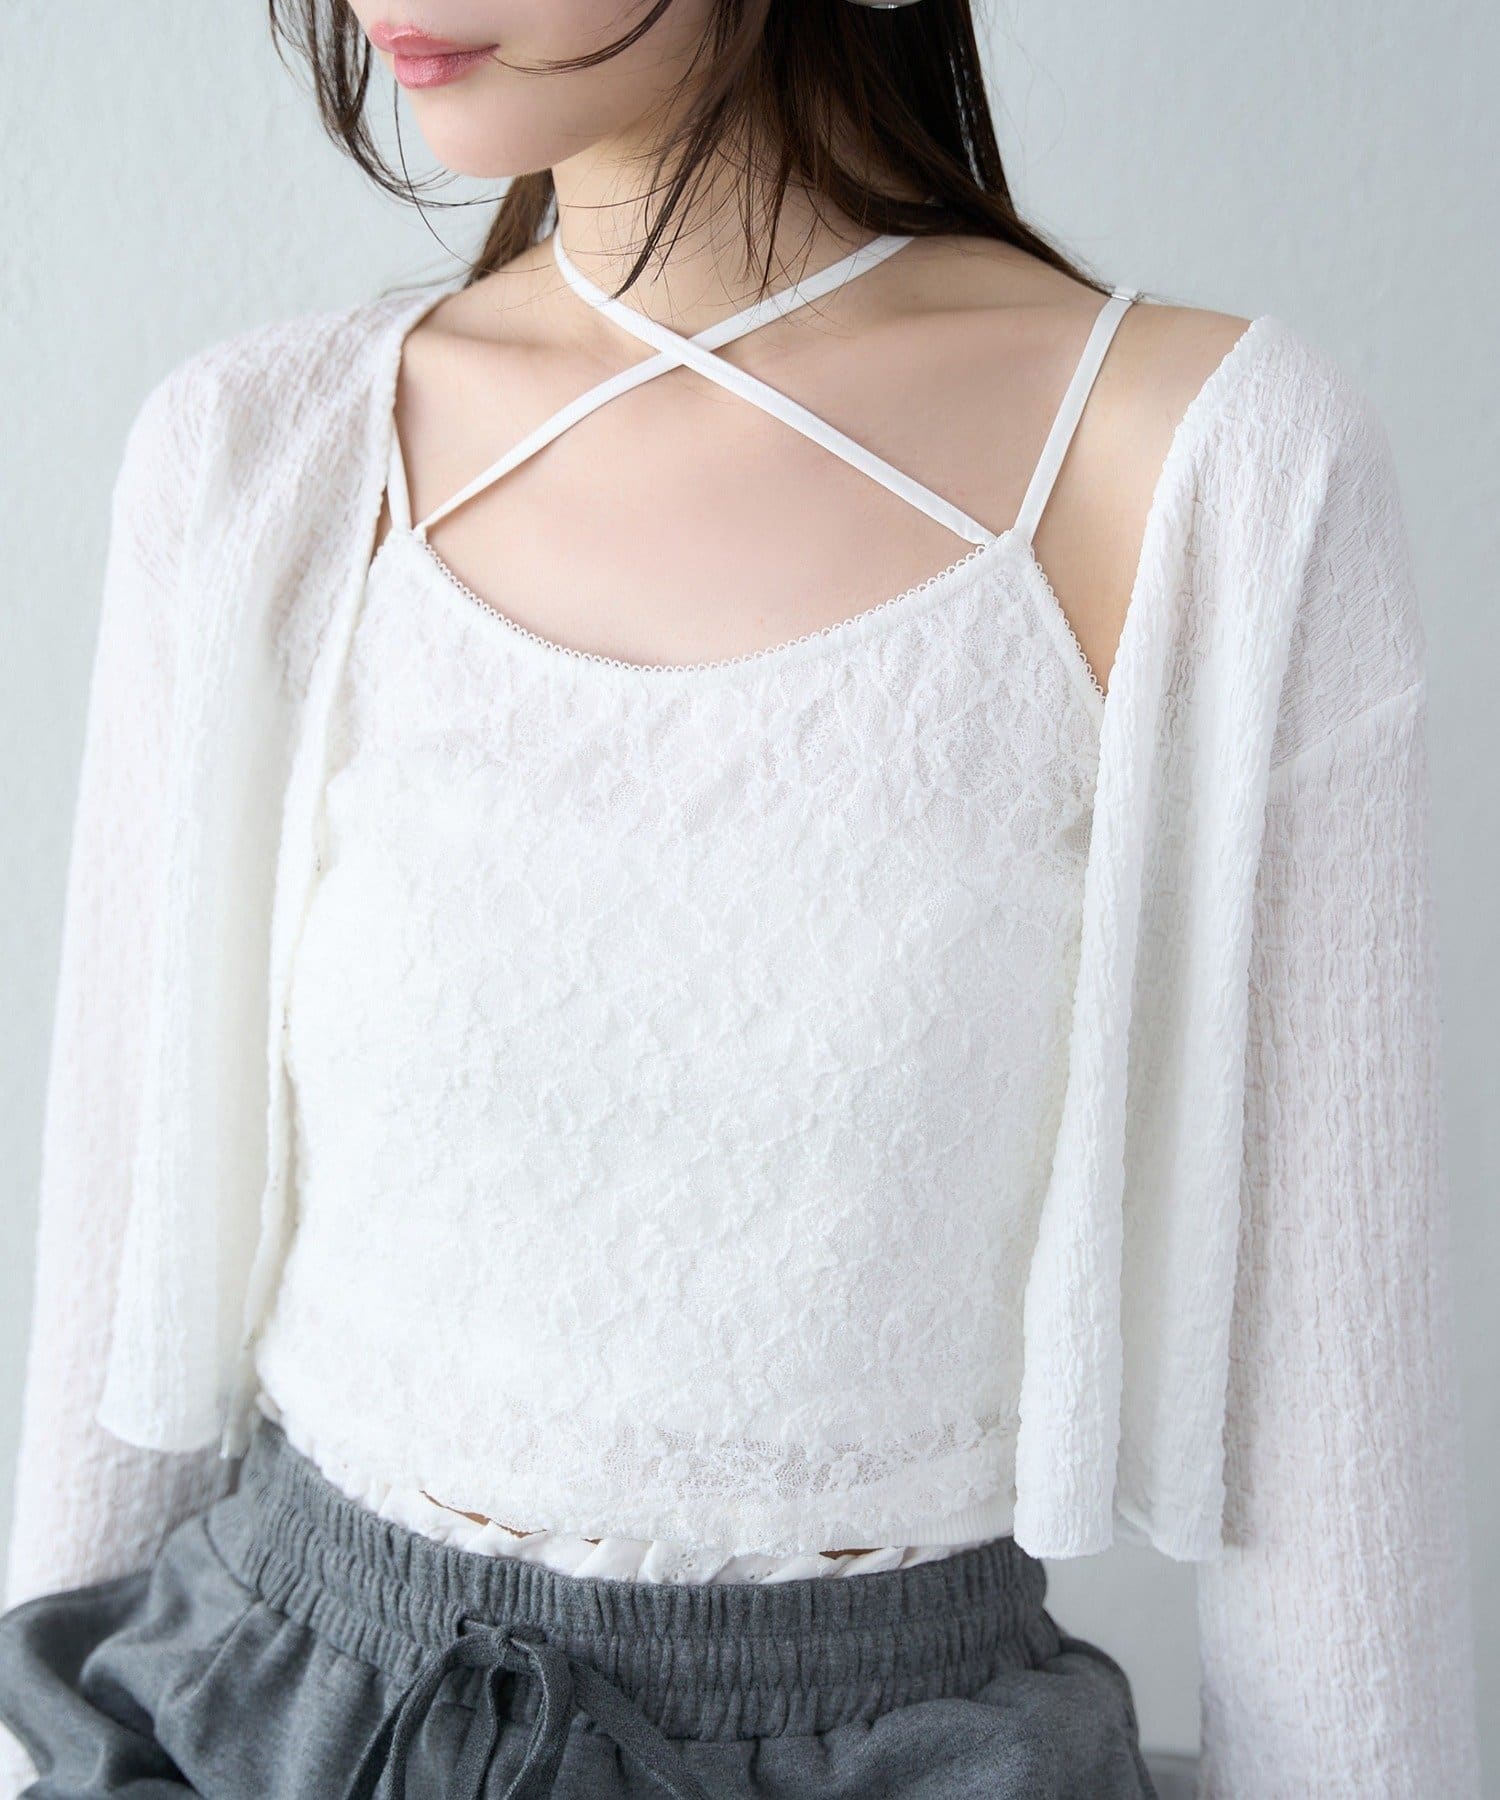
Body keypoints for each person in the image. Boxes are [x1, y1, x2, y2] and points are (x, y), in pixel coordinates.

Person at [0, 2, 1481, 1795]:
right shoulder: (263, 454)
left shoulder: (1208, 465)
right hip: (269, 1726)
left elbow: (1335, 1460)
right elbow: (114, 1317)